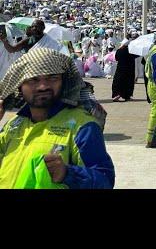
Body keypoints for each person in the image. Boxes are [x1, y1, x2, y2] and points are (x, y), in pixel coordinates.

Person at [0, 48, 115, 188]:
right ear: (20, 86)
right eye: (33, 79)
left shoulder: (83, 128)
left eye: (52, 78)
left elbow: (105, 182)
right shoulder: (14, 124)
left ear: (64, 82)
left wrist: (68, 174)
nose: (43, 86)